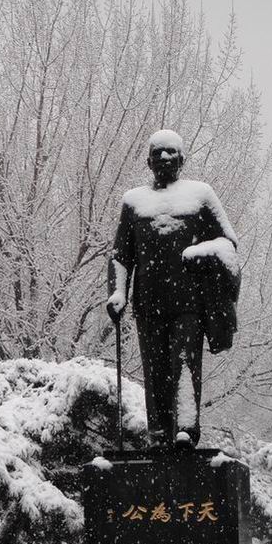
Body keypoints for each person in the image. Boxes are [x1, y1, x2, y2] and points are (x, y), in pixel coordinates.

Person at [106, 129, 239, 449]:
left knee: (185, 363)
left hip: (188, 302)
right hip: (148, 303)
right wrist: (117, 292)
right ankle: (159, 432)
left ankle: (185, 428)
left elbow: (228, 244)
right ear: (148, 161)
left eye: (171, 153)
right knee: (154, 370)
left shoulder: (200, 196)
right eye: (158, 153)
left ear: (182, 159)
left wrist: (201, 253)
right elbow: (120, 257)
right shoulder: (134, 202)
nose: (164, 158)